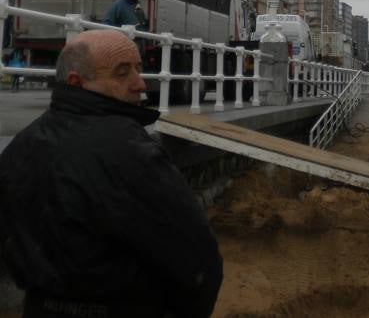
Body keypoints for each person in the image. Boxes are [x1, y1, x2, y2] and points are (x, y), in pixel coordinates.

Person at [0, 29, 223, 318]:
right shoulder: (130, 152)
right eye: (122, 73)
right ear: (77, 82)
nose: (140, 83)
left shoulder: (21, 146)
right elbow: (197, 261)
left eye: (139, 69)